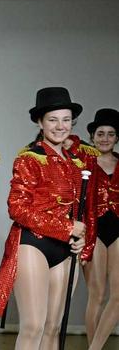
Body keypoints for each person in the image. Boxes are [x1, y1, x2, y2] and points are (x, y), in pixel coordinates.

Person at [0, 87, 96, 349]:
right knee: (33, 326)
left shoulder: (76, 162)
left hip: (65, 248)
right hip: (33, 245)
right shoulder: (29, 158)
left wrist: (78, 237)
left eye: (65, 119)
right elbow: (17, 208)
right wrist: (67, 227)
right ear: (40, 122)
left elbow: (79, 211)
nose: (60, 126)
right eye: (53, 119)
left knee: (53, 328)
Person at [82, 108, 119, 349]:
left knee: (117, 296)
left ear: (117, 138)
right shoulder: (82, 163)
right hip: (93, 230)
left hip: (118, 229)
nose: (105, 138)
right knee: (96, 295)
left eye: (111, 134)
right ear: (93, 136)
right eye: (100, 133)